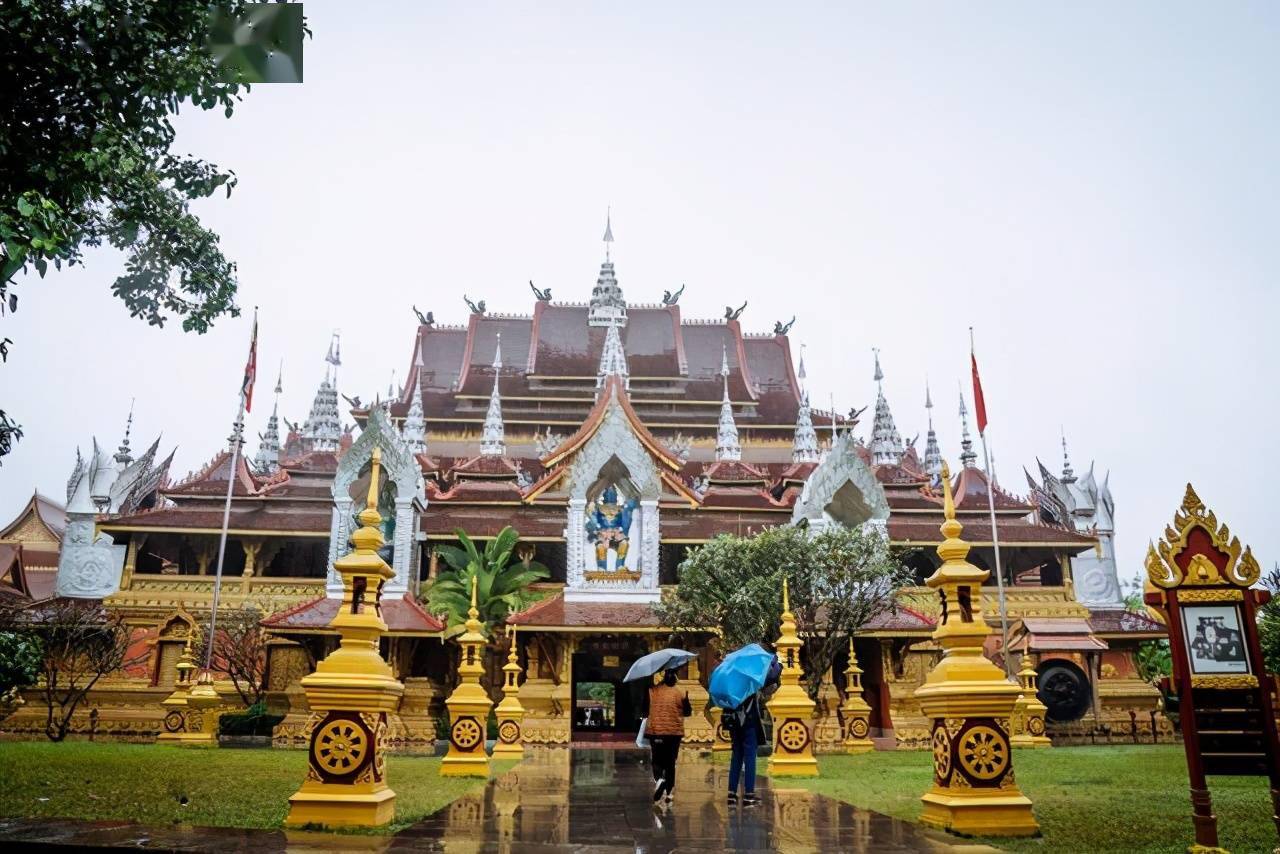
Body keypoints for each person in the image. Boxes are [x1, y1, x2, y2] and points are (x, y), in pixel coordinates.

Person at [726, 657, 780, 808]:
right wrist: (775, 662)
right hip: (748, 721)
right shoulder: (750, 678)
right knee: (750, 757)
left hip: (734, 722)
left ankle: (731, 794)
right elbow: (771, 677)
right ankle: (749, 794)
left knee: (736, 756)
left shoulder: (730, 679)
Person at [644, 669, 692, 802]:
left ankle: (659, 780)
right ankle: (670, 793)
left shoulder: (652, 691)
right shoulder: (680, 692)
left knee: (657, 760)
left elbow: (645, 709)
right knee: (670, 762)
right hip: (674, 733)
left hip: (656, 731)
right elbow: (688, 713)